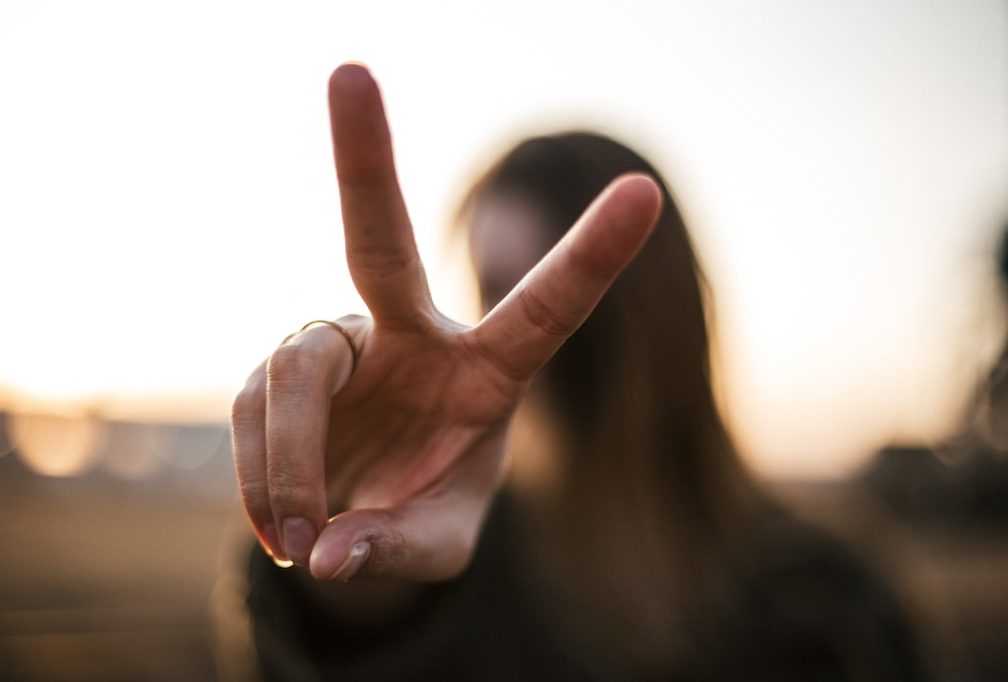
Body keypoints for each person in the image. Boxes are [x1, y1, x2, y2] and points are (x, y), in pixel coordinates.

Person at [227, 63, 929, 680]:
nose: (515, 340)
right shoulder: (457, 582)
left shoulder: (833, 609)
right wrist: (354, 565)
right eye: (491, 295)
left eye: (563, 293)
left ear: (657, 312)